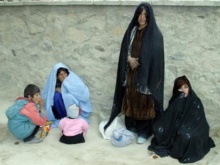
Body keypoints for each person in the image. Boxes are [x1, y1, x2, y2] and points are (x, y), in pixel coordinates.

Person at [104, 2, 164, 144]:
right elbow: (125, 51)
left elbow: (157, 58)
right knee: (130, 98)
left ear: (149, 17)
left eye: (145, 14)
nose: (142, 17)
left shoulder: (155, 34)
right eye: (140, 14)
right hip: (131, 74)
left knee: (144, 102)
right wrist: (129, 59)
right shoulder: (132, 31)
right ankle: (131, 127)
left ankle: (144, 132)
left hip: (146, 76)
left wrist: (143, 63)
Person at [148, 75, 215, 163]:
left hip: (194, 128)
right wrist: (179, 101)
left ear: (189, 87)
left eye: (186, 87)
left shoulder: (195, 100)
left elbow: (198, 120)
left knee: (186, 136)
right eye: (180, 88)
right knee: (159, 129)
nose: (183, 90)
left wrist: (184, 127)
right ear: (176, 90)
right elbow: (169, 117)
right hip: (177, 126)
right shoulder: (176, 100)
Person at [41, 62, 92, 127]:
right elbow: (49, 95)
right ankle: (62, 116)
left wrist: (63, 90)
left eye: (64, 73)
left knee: (68, 96)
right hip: (64, 106)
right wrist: (59, 91)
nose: (64, 76)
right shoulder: (55, 83)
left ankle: (72, 116)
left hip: (77, 103)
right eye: (60, 74)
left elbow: (81, 92)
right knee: (56, 96)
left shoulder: (72, 77)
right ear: (56, 77)